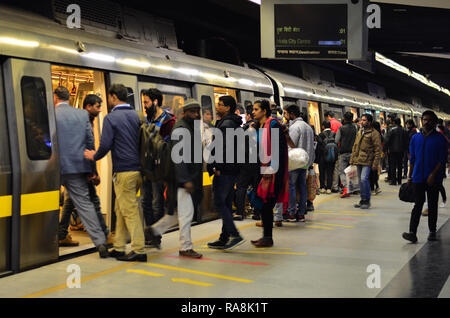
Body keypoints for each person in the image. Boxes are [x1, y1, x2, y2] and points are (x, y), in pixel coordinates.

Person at [84, 84, 146, 262]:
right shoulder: (136, 115)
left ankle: (139, 249)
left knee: (130, 211)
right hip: (138, 171)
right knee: (120, 209)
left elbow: (105, 145)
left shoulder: (112, 118)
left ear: (112, 97)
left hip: (124, 171)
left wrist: (93, 155)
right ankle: (119, 247)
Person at [54, 86, 108, 258]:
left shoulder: (50, 113)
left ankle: (41, 241)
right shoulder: (82, 115)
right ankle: (100, 242)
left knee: (45, 202)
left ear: (55, 98)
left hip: (52, 167)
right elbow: (90, 143)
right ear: (68, 98)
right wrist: (92, 170)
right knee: (85, 206)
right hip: (76, 167)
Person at [402, 110, 448, 243]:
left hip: (434, 178)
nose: (426, 122)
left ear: (434, 122)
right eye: (424, 119)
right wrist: (410, 176)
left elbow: (442, 159)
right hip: (417, 177)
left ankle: (432, 231)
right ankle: (412, 232)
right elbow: (412, 159)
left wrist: (433, 174)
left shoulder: (440, 139)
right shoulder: (415, 138)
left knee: (432, 205)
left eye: (429, 120)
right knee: (417, 205)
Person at [207, 95, 245, 250]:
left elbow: (223, 149)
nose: (217, 107)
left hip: (225, 170)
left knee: (219, 202)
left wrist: (216, 167)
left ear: (227, 107)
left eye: (220, 105)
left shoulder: (226, 124)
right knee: (227, 204)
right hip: (232, 169)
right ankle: (224, 237)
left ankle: (234, 235)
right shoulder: (231, 123)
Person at [141, 88, 177, 249]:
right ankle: (150, 233)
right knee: (145, 201)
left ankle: (156, 236)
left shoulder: (168, 121)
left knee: (157, 201)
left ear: (155, 102)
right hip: (145, 167)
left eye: (146, 102)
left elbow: (170, 146)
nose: (144, 106)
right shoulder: (146, 120)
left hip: (159, 168)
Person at [250, 99, 288, 246]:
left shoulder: (272, 125)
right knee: (262, 203)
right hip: (262, 168)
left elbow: (277, 149)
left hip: (272, 171)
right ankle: (266, 236)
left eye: (256, 109)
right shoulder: (259, 126)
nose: (253, 112)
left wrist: (270, 168)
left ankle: (267, 238)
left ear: (264, 111)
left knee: (266, 204)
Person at [169, 99, 204, 258]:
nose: (196, 114)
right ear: (184, 113)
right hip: (185, 181)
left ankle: (155, 230)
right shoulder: (181, 129)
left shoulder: (191, 127)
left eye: (197, 111)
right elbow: (179, 158)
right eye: (192, 112)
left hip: (191, 178)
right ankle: (185, 247)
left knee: (184, 213)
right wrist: (185, 180)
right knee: (186, 214)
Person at [284, 104, 315, 222]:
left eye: (286, 113)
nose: (285, 116)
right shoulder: (308, 127)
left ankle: (291, 213)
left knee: (291, 186)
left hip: (295, 161)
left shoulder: (294, 127)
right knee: (302, 186)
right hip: (305, 161)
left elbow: (291, 144)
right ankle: (301, 213)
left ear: (292, 114)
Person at [349, 113, 381, 209]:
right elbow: (355, 146)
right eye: (361, 120)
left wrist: (375, 163)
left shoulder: (374, 133)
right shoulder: (360, 131)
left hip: (368, 160)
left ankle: (367, 200)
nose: (362, 122)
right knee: (360, 181)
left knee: (364, 179)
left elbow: (378, 149)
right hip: (359, 159)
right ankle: (362, 199)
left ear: (369, 122)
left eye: (364, 120)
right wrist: (352, 159)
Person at [235, 104, 260, 221]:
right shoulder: (262, 126)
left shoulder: (244, 128)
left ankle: (240, 212)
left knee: (241, 187)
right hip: (258, 162)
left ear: (249, 116)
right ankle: (257, 212)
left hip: (245, 162)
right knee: (257, 187)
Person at [336, 111, 357, 198]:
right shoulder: (356, 128)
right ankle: (354, 188)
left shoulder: (341, 129)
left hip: (343, 152)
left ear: (344, 119)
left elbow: (336, 140)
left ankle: (346, 188)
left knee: (342, 171)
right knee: (352, 171)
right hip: (353, 152)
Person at [384, 118, 408, 185]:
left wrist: (386, 149)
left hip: (392, 151)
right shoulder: (404, 130)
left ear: (394, 122)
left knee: (393, 166)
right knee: (400, 165)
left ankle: (394, 181)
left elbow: (387, 140)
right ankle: (399, 180)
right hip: (401, 151)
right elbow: (406, 141)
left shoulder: (392, 130)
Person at [324, 111, 342, 193]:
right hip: (338, 149)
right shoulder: (339, 124)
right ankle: (336, 185)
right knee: (337, 169)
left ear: (328, 116)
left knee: (329, 169)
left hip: (329, 150)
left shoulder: (331, 123)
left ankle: (329, 186)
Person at [318, 120, 336, 193]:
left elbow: (319, 147)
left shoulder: (321, 135)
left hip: (322, 156)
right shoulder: (334, 134)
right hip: (331, 156)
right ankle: (329, 188)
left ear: (323, 126)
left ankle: (322, 187)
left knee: (322, 172)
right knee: (330, 172)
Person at [370, 121, 383, 194]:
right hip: (378, 155)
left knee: (372, 172)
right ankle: (377, 187)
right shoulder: (380, 134)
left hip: (373, 155)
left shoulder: (374, 134)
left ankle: (372, 188)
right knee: (375, 172)